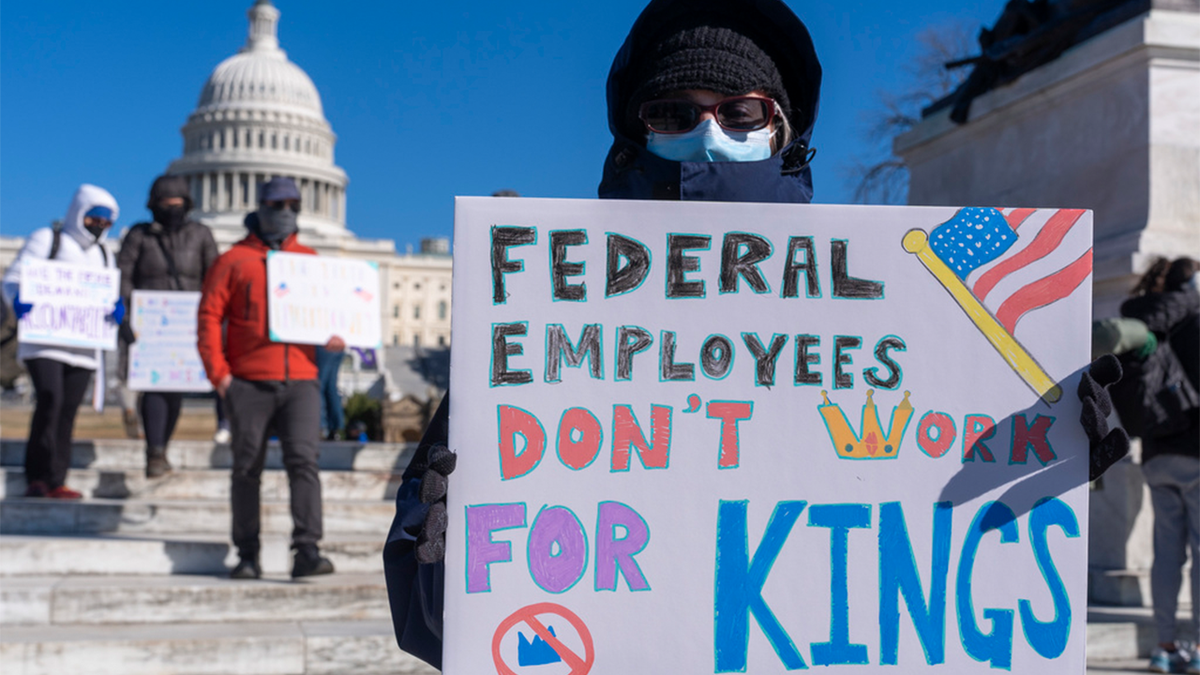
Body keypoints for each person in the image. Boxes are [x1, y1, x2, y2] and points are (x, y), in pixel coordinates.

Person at [382, 0, 1129, 667]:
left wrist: (1048, 453)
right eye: (673, 114)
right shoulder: (545, 320)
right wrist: (439, 536)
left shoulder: (885, 307)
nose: (709, 133)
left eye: (740, 112)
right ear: (634, 132)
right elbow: (438, 631)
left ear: (783, 130)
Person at [197, 176, 345, 579]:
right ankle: (247, 553)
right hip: (248, 381)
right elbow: (209, 317)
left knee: (305, 463)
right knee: (246, 469)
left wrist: (336, 337)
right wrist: (221, 376)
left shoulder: (311, 262)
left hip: (300, 379)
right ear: (260, 207)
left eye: (292, 204)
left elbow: (332, 317)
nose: (286, 212)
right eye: (277, 204)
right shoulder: (232, 261)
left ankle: (307, 551)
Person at [2, 184, 122, 498]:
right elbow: (13, 279)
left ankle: (57, 478)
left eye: (106, 222)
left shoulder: (104, 253)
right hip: (44, 341)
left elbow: (106, 291)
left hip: (82, 346)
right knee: (50, 399)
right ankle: (37, 475)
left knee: (68, 410)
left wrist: (114, 309)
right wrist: (18, 300)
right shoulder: (48, 239)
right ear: (79, 213)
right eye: (94, 219)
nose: (99, 227)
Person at [1112, 257, 1199, 675]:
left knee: (1167, 554)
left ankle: (1164, 646)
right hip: (1197, 452)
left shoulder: (1146, 315)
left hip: (1157, 452)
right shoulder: (1194, 317)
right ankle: (1197, 647)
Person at [117, 174, 219, 477]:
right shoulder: (140, 235)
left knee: (174, 393)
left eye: (177, 204)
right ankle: (155, 451)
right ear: (154, 205)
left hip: (186, 326)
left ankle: (160, 446)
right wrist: (125, 316)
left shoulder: (201, 235)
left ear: (187, 204)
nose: (171, 209)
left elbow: (214, 279)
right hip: (148, 326)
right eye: (165, 204)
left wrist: (211, 319)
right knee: (154, 389)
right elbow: (123, 276)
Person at [315, 345, 345, 440]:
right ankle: (335, 428)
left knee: (319, 387)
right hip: (338, 346)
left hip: (322, 345)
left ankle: (321, 427)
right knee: (331, 387)